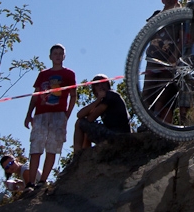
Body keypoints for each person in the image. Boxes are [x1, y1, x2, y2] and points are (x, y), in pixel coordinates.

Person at [23, 44, 77, 190]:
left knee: (52, 147)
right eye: (55, 54)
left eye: (60, 53)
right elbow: (36, 95)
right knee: (36, 146)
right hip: (40, 114)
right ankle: (30, 182)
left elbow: (73, 96)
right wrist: (29, 114)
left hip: (58, 114)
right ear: (50, 56)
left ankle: (42, 181)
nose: (58, 56)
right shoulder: (43, 74)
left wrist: (67, 115)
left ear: (64, 56)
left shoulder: (69, 74)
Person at [73, 75, 131, 152]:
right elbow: (79, 114)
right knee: (86, 128)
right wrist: (98, 100)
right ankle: (84, 155)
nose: (101, 86)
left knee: (80, 123)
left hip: (118, 135)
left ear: (108, 85)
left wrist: (98, 100)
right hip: (115, 134)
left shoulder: (111, 95)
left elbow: (90, 119)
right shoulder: (102, 101)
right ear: (94, 89)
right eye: (97, 84)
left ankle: (77, 155)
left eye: (103, 83)